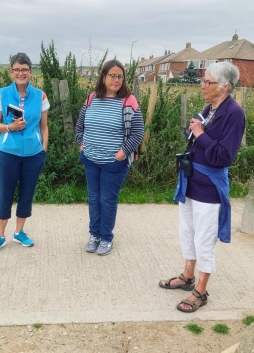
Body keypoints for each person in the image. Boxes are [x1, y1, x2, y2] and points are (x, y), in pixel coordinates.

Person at [159, 62, 245, 313]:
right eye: (203, 80)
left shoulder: (234, 113)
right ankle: (187, 277)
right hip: (190, 181)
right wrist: (195, 133)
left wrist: (199, 134)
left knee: (204, 239)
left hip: (209, 187)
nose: (202, 85)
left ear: (225, 86)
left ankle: (201, 291)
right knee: (187, 232)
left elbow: (224, 156)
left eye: (208, 82)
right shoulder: (210, 108)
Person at [75, 60, 145, 256]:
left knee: (107, 200)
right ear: (103, 77)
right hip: (90, 159)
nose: (116, 80)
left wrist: (122, 153)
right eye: (112, 76)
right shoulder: (91, 99)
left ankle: (106, 238)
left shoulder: (128, 101)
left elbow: (138, 132)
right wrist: (82, 144)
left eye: (120, 76)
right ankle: (94, 235)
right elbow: (79, 126)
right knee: (94, 198)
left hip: (114, 163)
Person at [0, 53, 49, 254]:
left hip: (33, 155)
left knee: (26, 195)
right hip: (8, 153)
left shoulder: (40, 95)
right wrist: (10, 127)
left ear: (30, 72)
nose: (20, 73)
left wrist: (43, 151)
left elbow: (44, 126)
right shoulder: (2, 94)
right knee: (5, 194)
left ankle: (19, 232)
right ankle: (0, 236)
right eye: (17, 69)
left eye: (24, 69)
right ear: (11, 72)